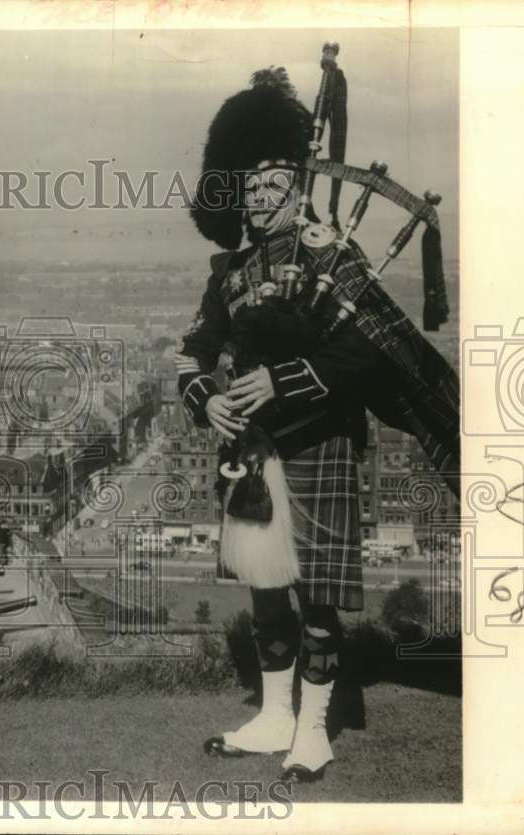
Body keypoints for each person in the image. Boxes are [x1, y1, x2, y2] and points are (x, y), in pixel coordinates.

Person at [175, 60, 459, 784]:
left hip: (321, 439)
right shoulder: (229, 273)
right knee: (265, 586)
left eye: (276, 184)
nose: (264, 196)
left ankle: (314, 729)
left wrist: (278, 378)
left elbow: (362, 350)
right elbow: (194, 351)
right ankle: (273, 715)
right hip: (253, 447)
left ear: (297, 186)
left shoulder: (332, 253)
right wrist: (207, 396)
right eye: (253, 186)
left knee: (317, 594)